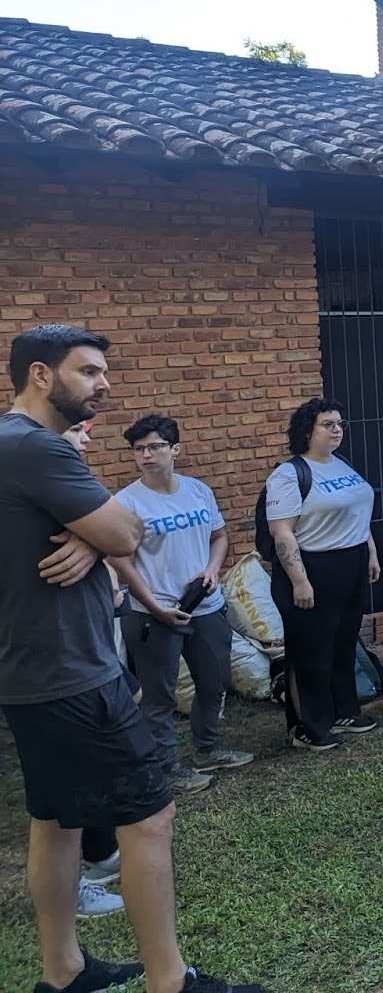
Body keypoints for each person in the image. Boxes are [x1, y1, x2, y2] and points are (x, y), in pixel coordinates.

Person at [1, 324, 261, 993]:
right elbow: (126, 528)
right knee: (149, 815)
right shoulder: (37, 449)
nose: (104, 384)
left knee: (57, 820)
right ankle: (170, 981)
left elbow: (110, 534)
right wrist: (103, 538)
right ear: (39, 374)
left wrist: (94, 542)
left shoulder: (9, 446)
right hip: (73, 670)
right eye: (88, 371)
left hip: (29, 670)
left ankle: (64, 973)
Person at [109, 415, 252, 800]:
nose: (146, 455)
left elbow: (219, 536)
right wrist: (153, 605)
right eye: (139, 449)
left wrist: (210, 569)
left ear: (175, 449)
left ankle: (209, 749)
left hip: (205, 607)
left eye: (155, 446)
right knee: (160, 696)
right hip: (154, 613)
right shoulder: (126, 502)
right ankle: (165, 767)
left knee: (214, 682)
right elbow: (120, 560)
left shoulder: (198, 491)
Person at [264, 397, 382, 752]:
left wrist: (370, 553)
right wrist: (299, 580)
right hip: (313, 568)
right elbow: (282, 532)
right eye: (327, 424)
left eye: (340, 424)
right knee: (310, 651)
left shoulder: (342, 465)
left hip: (352, 563)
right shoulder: (289, 474)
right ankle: (308, 726)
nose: (337, 430)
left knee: (344, 642)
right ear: (306, 430)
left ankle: (344, 710)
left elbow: (358, 512)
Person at [58, 419, 127, 923]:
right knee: (67, 771)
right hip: (58, 658)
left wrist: (95, 542)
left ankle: (100, 850)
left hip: (91, 641)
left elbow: (123, 531)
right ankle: (77, 878)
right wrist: (102, 539)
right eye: (77, 431)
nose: (86, 440)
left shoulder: (71, 486)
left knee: (93, 756)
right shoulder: (36, 475)